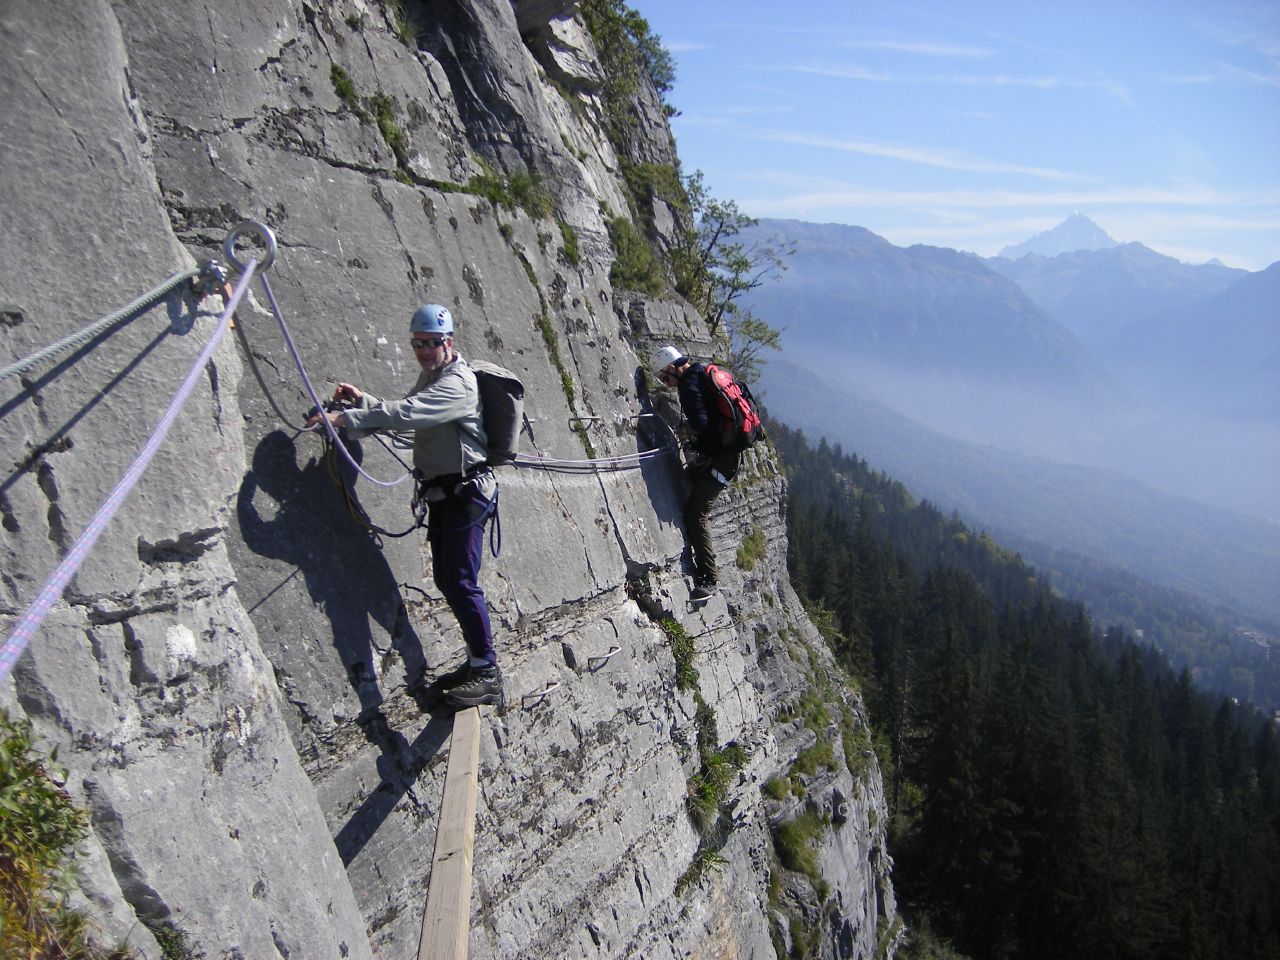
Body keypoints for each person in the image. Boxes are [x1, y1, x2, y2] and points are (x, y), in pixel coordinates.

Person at [308, 304, 502, 707]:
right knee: (450, 581)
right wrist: (365, 401)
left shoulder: (458, 383)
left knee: (461, 582)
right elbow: (408, 414)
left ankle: (487, 673)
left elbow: (409, 414)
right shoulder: (433, 377)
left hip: (466, 495)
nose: (423, 351)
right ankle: (477, 662)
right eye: (417, 344)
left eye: (431, 344)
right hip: (446, 496)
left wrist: (346, 420)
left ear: (448, 342)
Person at [652, 344, 741, 602]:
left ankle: (709, 579)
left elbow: (701, 423)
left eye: (663, 377)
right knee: (687, 481)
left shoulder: (689, 387)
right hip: (725, 455)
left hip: (722, 462)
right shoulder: (703, 372)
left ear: (672, 367)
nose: (665, 383)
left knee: (696, 514)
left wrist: (686, 431)